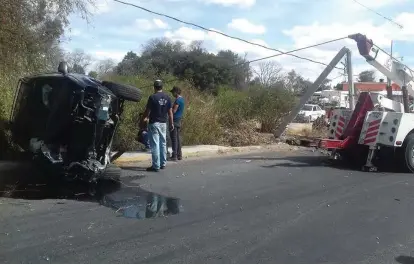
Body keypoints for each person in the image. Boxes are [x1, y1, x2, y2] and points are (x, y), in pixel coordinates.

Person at [142, 80, 174, 172]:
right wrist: (171, 123)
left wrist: (144, 119)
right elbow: (170, 113)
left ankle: (156, 165)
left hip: (154, 123)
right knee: (163, 144)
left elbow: (147, 111)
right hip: (163, 123)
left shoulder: (152, 97)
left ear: (154, 87)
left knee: (155, 144)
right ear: (162, 87)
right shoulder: (167, 97)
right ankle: (163, 163)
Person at [169, 86, 185, 161]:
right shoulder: (182, 99)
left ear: (176, 92)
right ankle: (179, 155)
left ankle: (174, 155)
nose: (172, 94)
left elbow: (174, 111)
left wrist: (169, 109)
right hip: (179, 120)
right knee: (178, 138)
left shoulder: (177, 100)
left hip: (174, 120)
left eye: (173, 92)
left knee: (174, 138)